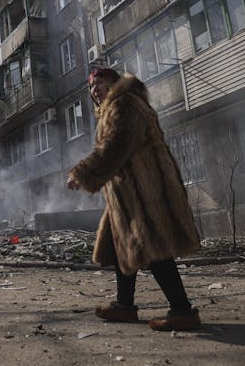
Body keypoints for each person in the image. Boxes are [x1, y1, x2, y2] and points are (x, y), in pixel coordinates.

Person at [67, 68, 202, 331]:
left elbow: (116, 147)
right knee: (120, 245)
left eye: (99, 83)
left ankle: (182, 311)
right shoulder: (116, 107)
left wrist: (82, 173)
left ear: (114, 83)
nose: (95, 91)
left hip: (145, 190)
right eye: (91, 88)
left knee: (154, 247)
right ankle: (124, 306)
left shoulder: (124, 103)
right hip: (129, 193)